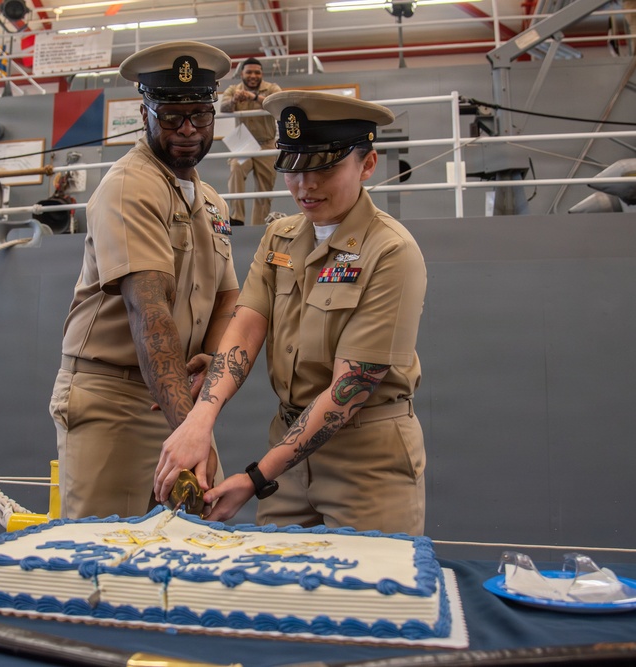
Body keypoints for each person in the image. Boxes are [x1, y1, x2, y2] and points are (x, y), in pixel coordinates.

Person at [153, 91, 428, 535]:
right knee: (274, 591)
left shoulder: (391, 252)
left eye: (325, 168)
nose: (305, 186)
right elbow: (246, 327)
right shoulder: (280, 237)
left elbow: (349, 389)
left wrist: (257, 477)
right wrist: (200, 419)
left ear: (368, 164)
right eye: (295, 169)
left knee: (367, 597)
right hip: (287, 453)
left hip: (367, 462)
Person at [50, 41, 240, 520]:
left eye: (199, 114)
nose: (188, 130)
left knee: (182, 550)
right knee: (102, 555)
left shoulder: (211, 200)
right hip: (115, 398)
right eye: (171, 116)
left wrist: (210, 367)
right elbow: (149, 312)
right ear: (145, 113)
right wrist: (194, 427)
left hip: (173, 394)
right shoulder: (130, 185)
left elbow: (226, 297)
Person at [219, 58, 282, 227]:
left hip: (266, 142)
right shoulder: (233, 89)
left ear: (261, 74)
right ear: (242, 74)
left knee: (265, 187)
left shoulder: (272, 88)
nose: (253, 76)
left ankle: (259, 226)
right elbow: (222, 108)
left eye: (257, 72)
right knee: (236, 168)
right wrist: (234, 100)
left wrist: (254, 97)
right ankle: (236, 217)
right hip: (243, 141)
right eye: (249, 72)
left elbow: (278, 103)